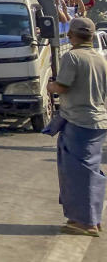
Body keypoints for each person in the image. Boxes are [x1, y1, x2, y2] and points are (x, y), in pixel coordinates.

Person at [45, 17, 107, 236]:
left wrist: (50, 85)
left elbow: (62, 87)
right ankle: (89, 219)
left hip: (78, 122)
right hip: (97, 122)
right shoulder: (100, 58)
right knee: (89, 171)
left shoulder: (72, 56)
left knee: (78, 174)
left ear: (71, 35)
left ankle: (87, 223)